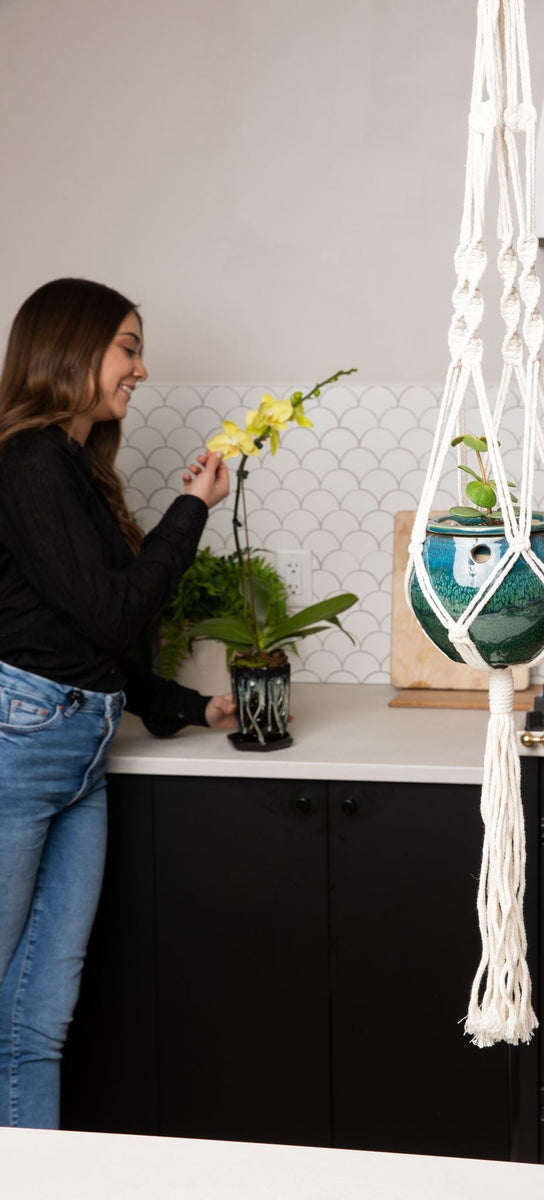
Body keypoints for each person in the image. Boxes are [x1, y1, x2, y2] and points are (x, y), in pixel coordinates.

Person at [0, 277, 237, 1129]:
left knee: (36, 1019)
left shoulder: (73, 471)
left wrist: (185, 703)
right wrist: (191, 509)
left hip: (76, 754)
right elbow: (115, 609)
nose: (141, 368)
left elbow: (93, 633)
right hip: (19, 748)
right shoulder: (27, 461)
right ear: (69, 348)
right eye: (128, 346)